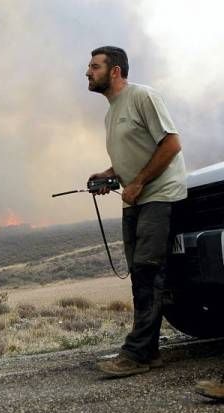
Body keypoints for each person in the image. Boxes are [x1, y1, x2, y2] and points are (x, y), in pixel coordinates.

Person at [86, 46, 186, 377]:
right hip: (135, 197)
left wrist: (140, 182)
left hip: (157, 194)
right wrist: (110, 174)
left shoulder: (143, 97)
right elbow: (134, 153)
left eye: (95, 66)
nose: (88, 72)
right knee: (140, 274)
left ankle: (138, 353)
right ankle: (149, 351)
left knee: (146, 270)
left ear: (115, 71)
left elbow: (171, 144)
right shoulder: (110, 112)